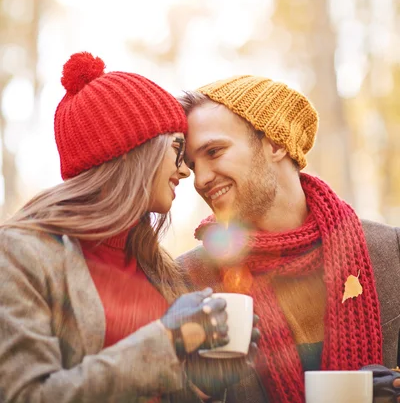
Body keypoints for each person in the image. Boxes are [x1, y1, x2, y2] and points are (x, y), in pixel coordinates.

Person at [0, 51, 238, 403]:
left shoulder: (159, 267)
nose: (186, 171)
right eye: (176, 149)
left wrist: (203, 386)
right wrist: (166, 341)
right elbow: (26, 395)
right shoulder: (21, 254)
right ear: (130, 150)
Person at [177, 75, 400, 403]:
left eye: (214, 151)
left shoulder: (390, 253)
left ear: (276, 143)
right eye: (194, 166)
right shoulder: (188, 280)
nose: (202, 179)